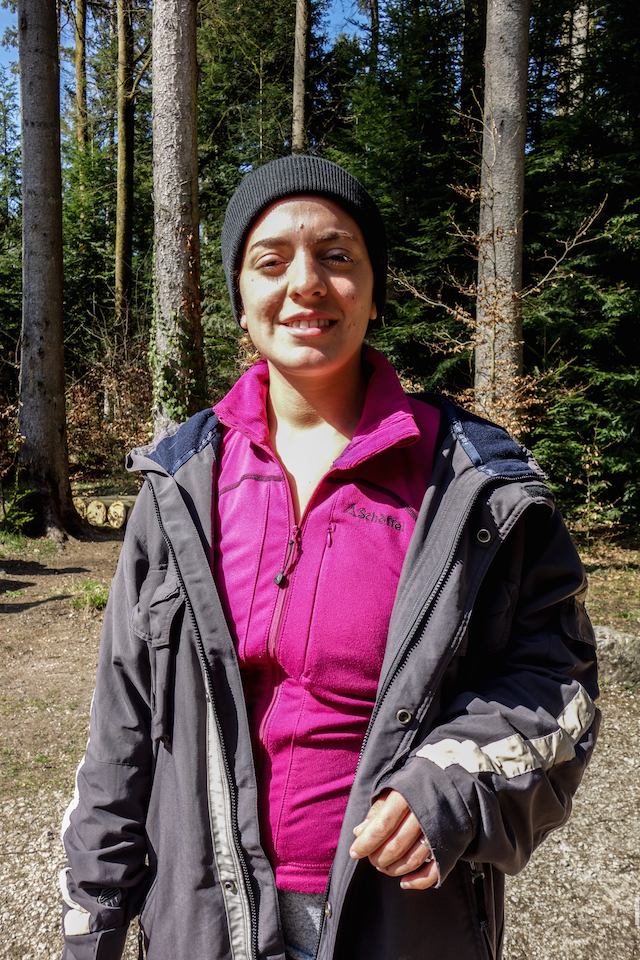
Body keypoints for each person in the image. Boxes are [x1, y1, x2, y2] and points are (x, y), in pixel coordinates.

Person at [60, 155, 599, 960]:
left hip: (404, 925)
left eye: (337, 256)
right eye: (270, 261)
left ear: (375, 294)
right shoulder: (180, 487)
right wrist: (94, 922)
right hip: (203, 925)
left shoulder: (475, 487)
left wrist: (451, 786)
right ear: (241, 301)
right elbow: (121, 732)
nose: (305, 283)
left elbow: (557, 684)